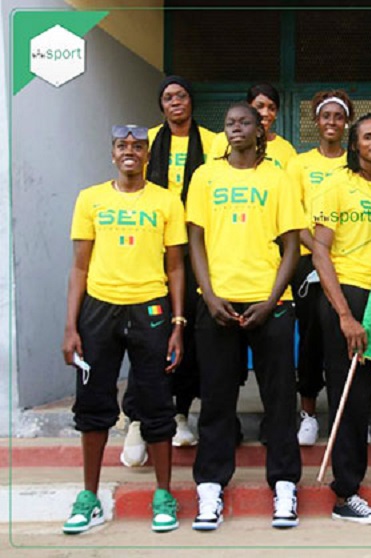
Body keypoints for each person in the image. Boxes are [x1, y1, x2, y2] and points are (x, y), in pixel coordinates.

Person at [61, 124, 186, 533]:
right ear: (112, 154)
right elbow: (79, 266)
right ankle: (89, 496)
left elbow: (176, 266)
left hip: (150, 308)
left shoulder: (167, 202)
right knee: (93, 402)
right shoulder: (90, 199)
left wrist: (177, 323)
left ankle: (163, 493)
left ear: (148, 155)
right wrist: (70, 327)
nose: (130, 152)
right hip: (99, 309)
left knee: (155, 400)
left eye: (138, 146)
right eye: (122, 146)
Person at [186, 102, 305, 531]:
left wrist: (272, 300)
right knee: (217, 398)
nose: (236, 128)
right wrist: (209, 294)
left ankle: (286, 486)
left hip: (270, 303)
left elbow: (292, 245)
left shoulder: (278, 177)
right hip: (217, 304)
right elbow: (194, 239)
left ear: (261, 131)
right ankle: (210, 488)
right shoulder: (205, 176)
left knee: (279, 399)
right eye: (230, 122)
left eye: (245, 123)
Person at [120, 75, 216, 466]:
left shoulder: (212, 142)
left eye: (181, 96)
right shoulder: (147, 139)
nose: (175, 102)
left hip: (195, 247)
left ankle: (179, 411)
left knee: (188, 334)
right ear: (161, 106)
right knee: (147, 335)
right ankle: (137, 418)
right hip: (151, 246)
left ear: (191, 102)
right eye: (168, 97)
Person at [311, 113, 371, 524]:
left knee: (362, 395)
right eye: (367, 137)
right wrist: (344, 314)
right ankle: (346, 493)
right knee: (351, 397)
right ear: (355, 144)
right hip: (349, 296)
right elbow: (320, 252)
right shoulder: (336, 186)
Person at [286, 90, 354, 446]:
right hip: (310, 261)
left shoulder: (354, 164)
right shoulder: (299, 165)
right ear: (316, 121)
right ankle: (309, 413)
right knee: (312, 337)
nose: (331, 122)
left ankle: (350, 414)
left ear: (346, 123)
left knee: (346, 338)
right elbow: (294, 218)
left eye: (338, 117)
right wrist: (319, 252)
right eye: (325, 116)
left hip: (352, 264)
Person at [210, 83, 297, 170]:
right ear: (248, 109)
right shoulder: (222, 140)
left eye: (272, 108)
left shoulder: (286, 149)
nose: (265, 113)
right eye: (259, 106)